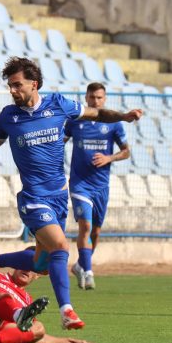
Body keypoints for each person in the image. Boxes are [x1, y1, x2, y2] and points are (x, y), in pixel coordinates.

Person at [0, 57, 143, 331]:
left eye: (17, 85)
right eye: (10, 86)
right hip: (33, 199)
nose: (13, 90)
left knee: (42, 265)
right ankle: (67, 311)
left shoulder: (59, 105)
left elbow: (96, 114)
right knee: (61, 247)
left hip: (59, 197)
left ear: (34, 84)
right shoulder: (9, 116)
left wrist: (123, 116)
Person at [64, 82, 130, 290]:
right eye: (92, 97)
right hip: (79, 184)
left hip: (101, 185)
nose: (96, 101)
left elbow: (126, 151)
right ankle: (89, 272)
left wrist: (109, 158)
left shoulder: (114, 124)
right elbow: (59, 143)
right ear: (86, 98)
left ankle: (79, 266)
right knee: (85, 226)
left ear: (105, 99)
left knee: (96, 232)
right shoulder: (75, 121)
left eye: (99, 98)